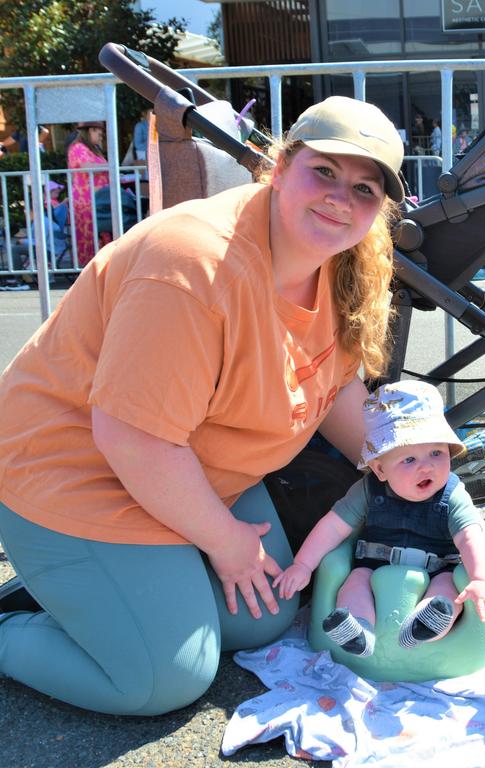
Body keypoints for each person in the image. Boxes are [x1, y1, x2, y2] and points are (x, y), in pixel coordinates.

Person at [0, 95, 406, 716]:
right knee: (163, 680)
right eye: (323, 171)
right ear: (279, 165)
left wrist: (403, 466)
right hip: (80, 477)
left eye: (364, 189)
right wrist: (226, 543)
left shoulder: (343, 266)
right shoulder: (191, 265)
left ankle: (89, 589)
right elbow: (133, 439)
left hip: (191, 470)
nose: (339, 197)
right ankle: (27, 619)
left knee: (261, 622)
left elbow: (334, 386)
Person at [274, 380, 485, 655]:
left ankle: (425, 627)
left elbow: (469, 536)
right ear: (380, 469)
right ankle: (358, 632)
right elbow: (333, 527)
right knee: (354, 582)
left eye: (436, 452)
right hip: (374, 565)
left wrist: (481, 579)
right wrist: (303, 564)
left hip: (437, 568)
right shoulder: (367, 490)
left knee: (448, 589)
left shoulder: (452, 494)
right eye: (408, 460)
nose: (426, 466)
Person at [66, 120, 111, 267]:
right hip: (86, 201)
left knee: (103, 232)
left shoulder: (94, 149)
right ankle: (89, 268)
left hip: (99, 199)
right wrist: (111, 165)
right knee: (89, 235)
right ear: (90, 130)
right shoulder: (77, 147)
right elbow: (86, 166)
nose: (101, 137)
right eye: (99, 133)